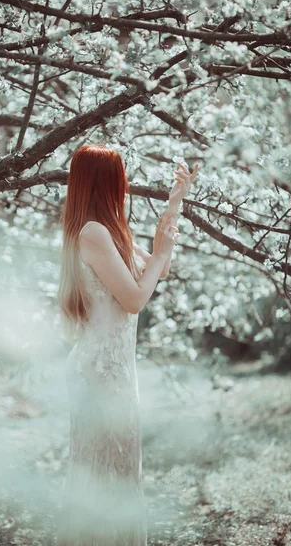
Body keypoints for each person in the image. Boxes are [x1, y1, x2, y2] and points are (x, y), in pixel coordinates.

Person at [57, 143, 199, 545]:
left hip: (116, 367)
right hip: (101, 371)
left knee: (120, 470)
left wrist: (174, 204)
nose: (127, 184)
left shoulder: (111, 228)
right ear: (105, 182)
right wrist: (160, 254)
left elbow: (159, 269)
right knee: (107, 470)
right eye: (121, 176)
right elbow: (135, 299)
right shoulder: (92, 233)